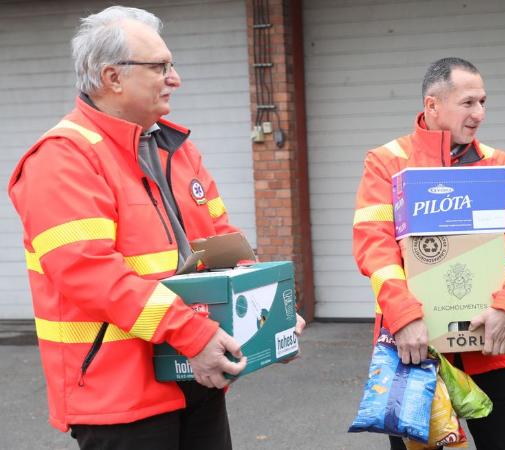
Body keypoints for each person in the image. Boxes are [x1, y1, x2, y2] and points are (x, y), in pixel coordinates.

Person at [7, 6, 304, 449]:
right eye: (160, 66)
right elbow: (90, 273)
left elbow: (220, 240)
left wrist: (265, 311)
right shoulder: (62, 158)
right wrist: (193, 334)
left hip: (194, 374)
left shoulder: (175, 147)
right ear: (113, 77)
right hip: (122, 393)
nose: (175, 77)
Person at [352, 57, 505, 450]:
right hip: (414, 344)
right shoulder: (386, 161)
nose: (480, 114)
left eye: (483, 102)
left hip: (487, 344)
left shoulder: (497, 164)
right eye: (468, 103)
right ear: (432, 105)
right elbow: (375, 248)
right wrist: (404, 318)